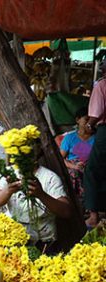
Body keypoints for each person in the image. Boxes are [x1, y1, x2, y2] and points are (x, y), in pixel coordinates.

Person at [0, 164, 73, 254]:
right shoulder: (8, 173)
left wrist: (41, 194)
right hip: (12, 241)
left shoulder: (50, 177)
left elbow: (66, 212)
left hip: (44, 242)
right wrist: (8, 191)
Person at [85, 59, 106, 228]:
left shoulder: (101, 85)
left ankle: (93, 214)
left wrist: (89, 124)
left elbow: (97, 113)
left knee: (92, 170)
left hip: (104, 132)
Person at [59, 106, 94, 202]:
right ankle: (80, 203)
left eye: (92, 121)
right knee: (74, 173)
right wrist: (74, 166)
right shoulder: (69, 138)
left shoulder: (97, 138)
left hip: (91, 165)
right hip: (73, 166)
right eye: (86, 120)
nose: (89, 123)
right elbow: (61, 159)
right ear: (77, 120)